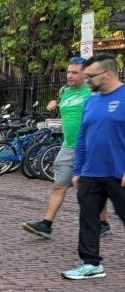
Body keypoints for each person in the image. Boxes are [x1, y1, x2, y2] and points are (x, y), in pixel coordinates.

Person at [23, 56, 109, 239]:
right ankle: (46, 225)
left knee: (93, 188)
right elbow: (71, 109)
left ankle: (102, 223)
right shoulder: (65, 91)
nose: (69, 75)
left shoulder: (93, 92)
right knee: (58, 186)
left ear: (85, 74)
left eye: (74, 72)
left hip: (90, 148)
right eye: (68, 71)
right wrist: (56, 104)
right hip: (68, 146)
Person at [62, 53, 125, 280]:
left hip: (119, 172)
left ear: (107, 74)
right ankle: (91, 264)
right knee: (88, 218)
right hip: (90, 172)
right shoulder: (91, 101)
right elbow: (82, 138)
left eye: (91, 76)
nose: (86, 79)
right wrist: (78, 170)